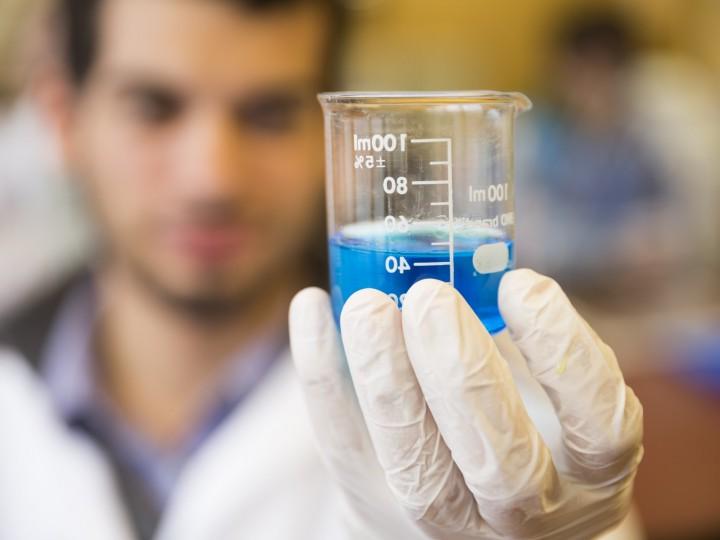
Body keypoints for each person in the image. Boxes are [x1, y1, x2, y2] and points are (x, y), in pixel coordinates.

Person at [0, 0, 644, 539]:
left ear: (325, 135)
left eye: (268, 114)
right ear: (62, 117)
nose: (212, 178)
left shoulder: (513, 422)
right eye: (155, 107)